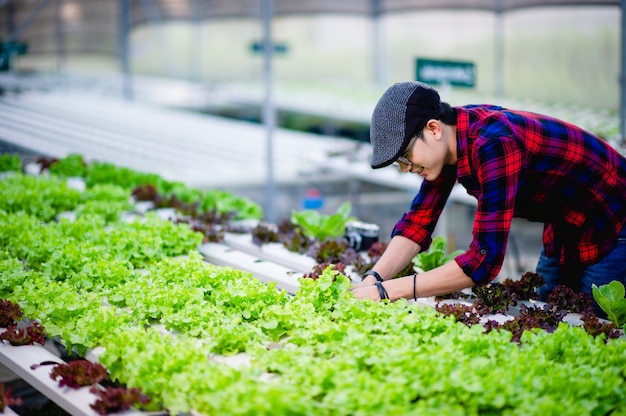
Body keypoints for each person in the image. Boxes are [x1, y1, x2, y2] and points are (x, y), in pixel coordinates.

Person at [351, 81, 626, 317]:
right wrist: (373, 279)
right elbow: (418, 223)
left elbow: (483, 263)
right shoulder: (449, 140)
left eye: (405, 156)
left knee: (600, 325)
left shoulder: (493, 143)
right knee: (549, 313)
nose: (406, 168)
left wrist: (389, 291)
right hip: (565, 221)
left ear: (433, 129)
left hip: (613, 216)